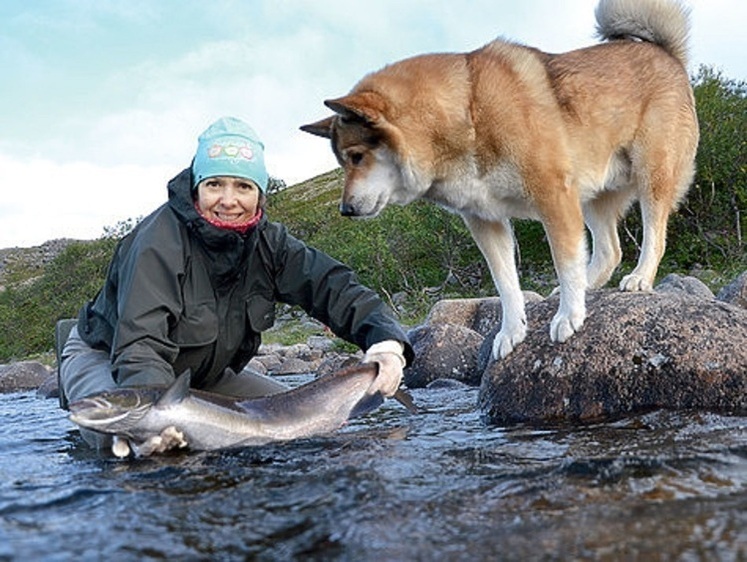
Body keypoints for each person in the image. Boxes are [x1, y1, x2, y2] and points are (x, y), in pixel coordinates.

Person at [59, 116, 413, 454]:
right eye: (215, 184)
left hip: (200, 378)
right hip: (109, 358)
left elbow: (334, 287)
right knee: (135, 441)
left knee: (293, 433)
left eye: (243, 186)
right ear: (197, 187)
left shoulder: (270, 244)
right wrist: (153, 423)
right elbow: (140, 347)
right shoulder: (157, 244)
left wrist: (386, 343)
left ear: (260, 194)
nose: (228, 200)